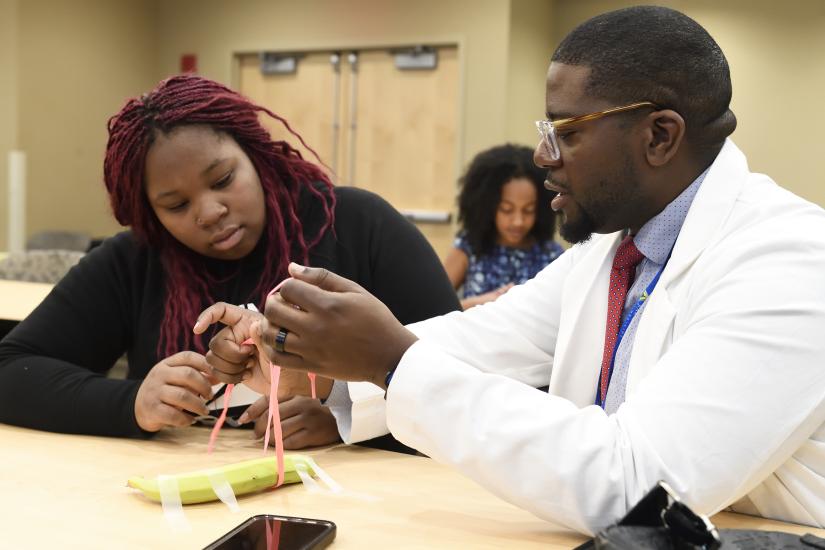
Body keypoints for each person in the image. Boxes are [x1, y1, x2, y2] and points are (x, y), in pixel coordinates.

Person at [199, 6, 825, 535]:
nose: (541, 154)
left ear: (659, 137)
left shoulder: (789, 258)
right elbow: (477, 344)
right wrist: (304, 359)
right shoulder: (611, 253)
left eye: (566, 131)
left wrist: (386, 360)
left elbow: (641, 492)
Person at [0, 75, 460, 452]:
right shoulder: (135, 260)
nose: (209, 211)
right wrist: (132, 402)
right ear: (150, 214)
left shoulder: (358, 226)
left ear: (255, 155)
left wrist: (348, 415)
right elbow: (11, 369)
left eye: (222, 180)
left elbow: (462, 380)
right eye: (176, 205)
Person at [443, 144, 563, 309]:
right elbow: (435, 309)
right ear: (488, 207)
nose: (518, 221)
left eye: (529, 210)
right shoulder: (468, 247)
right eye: (507, 210)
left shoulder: (551, 254)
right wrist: (480, 303)